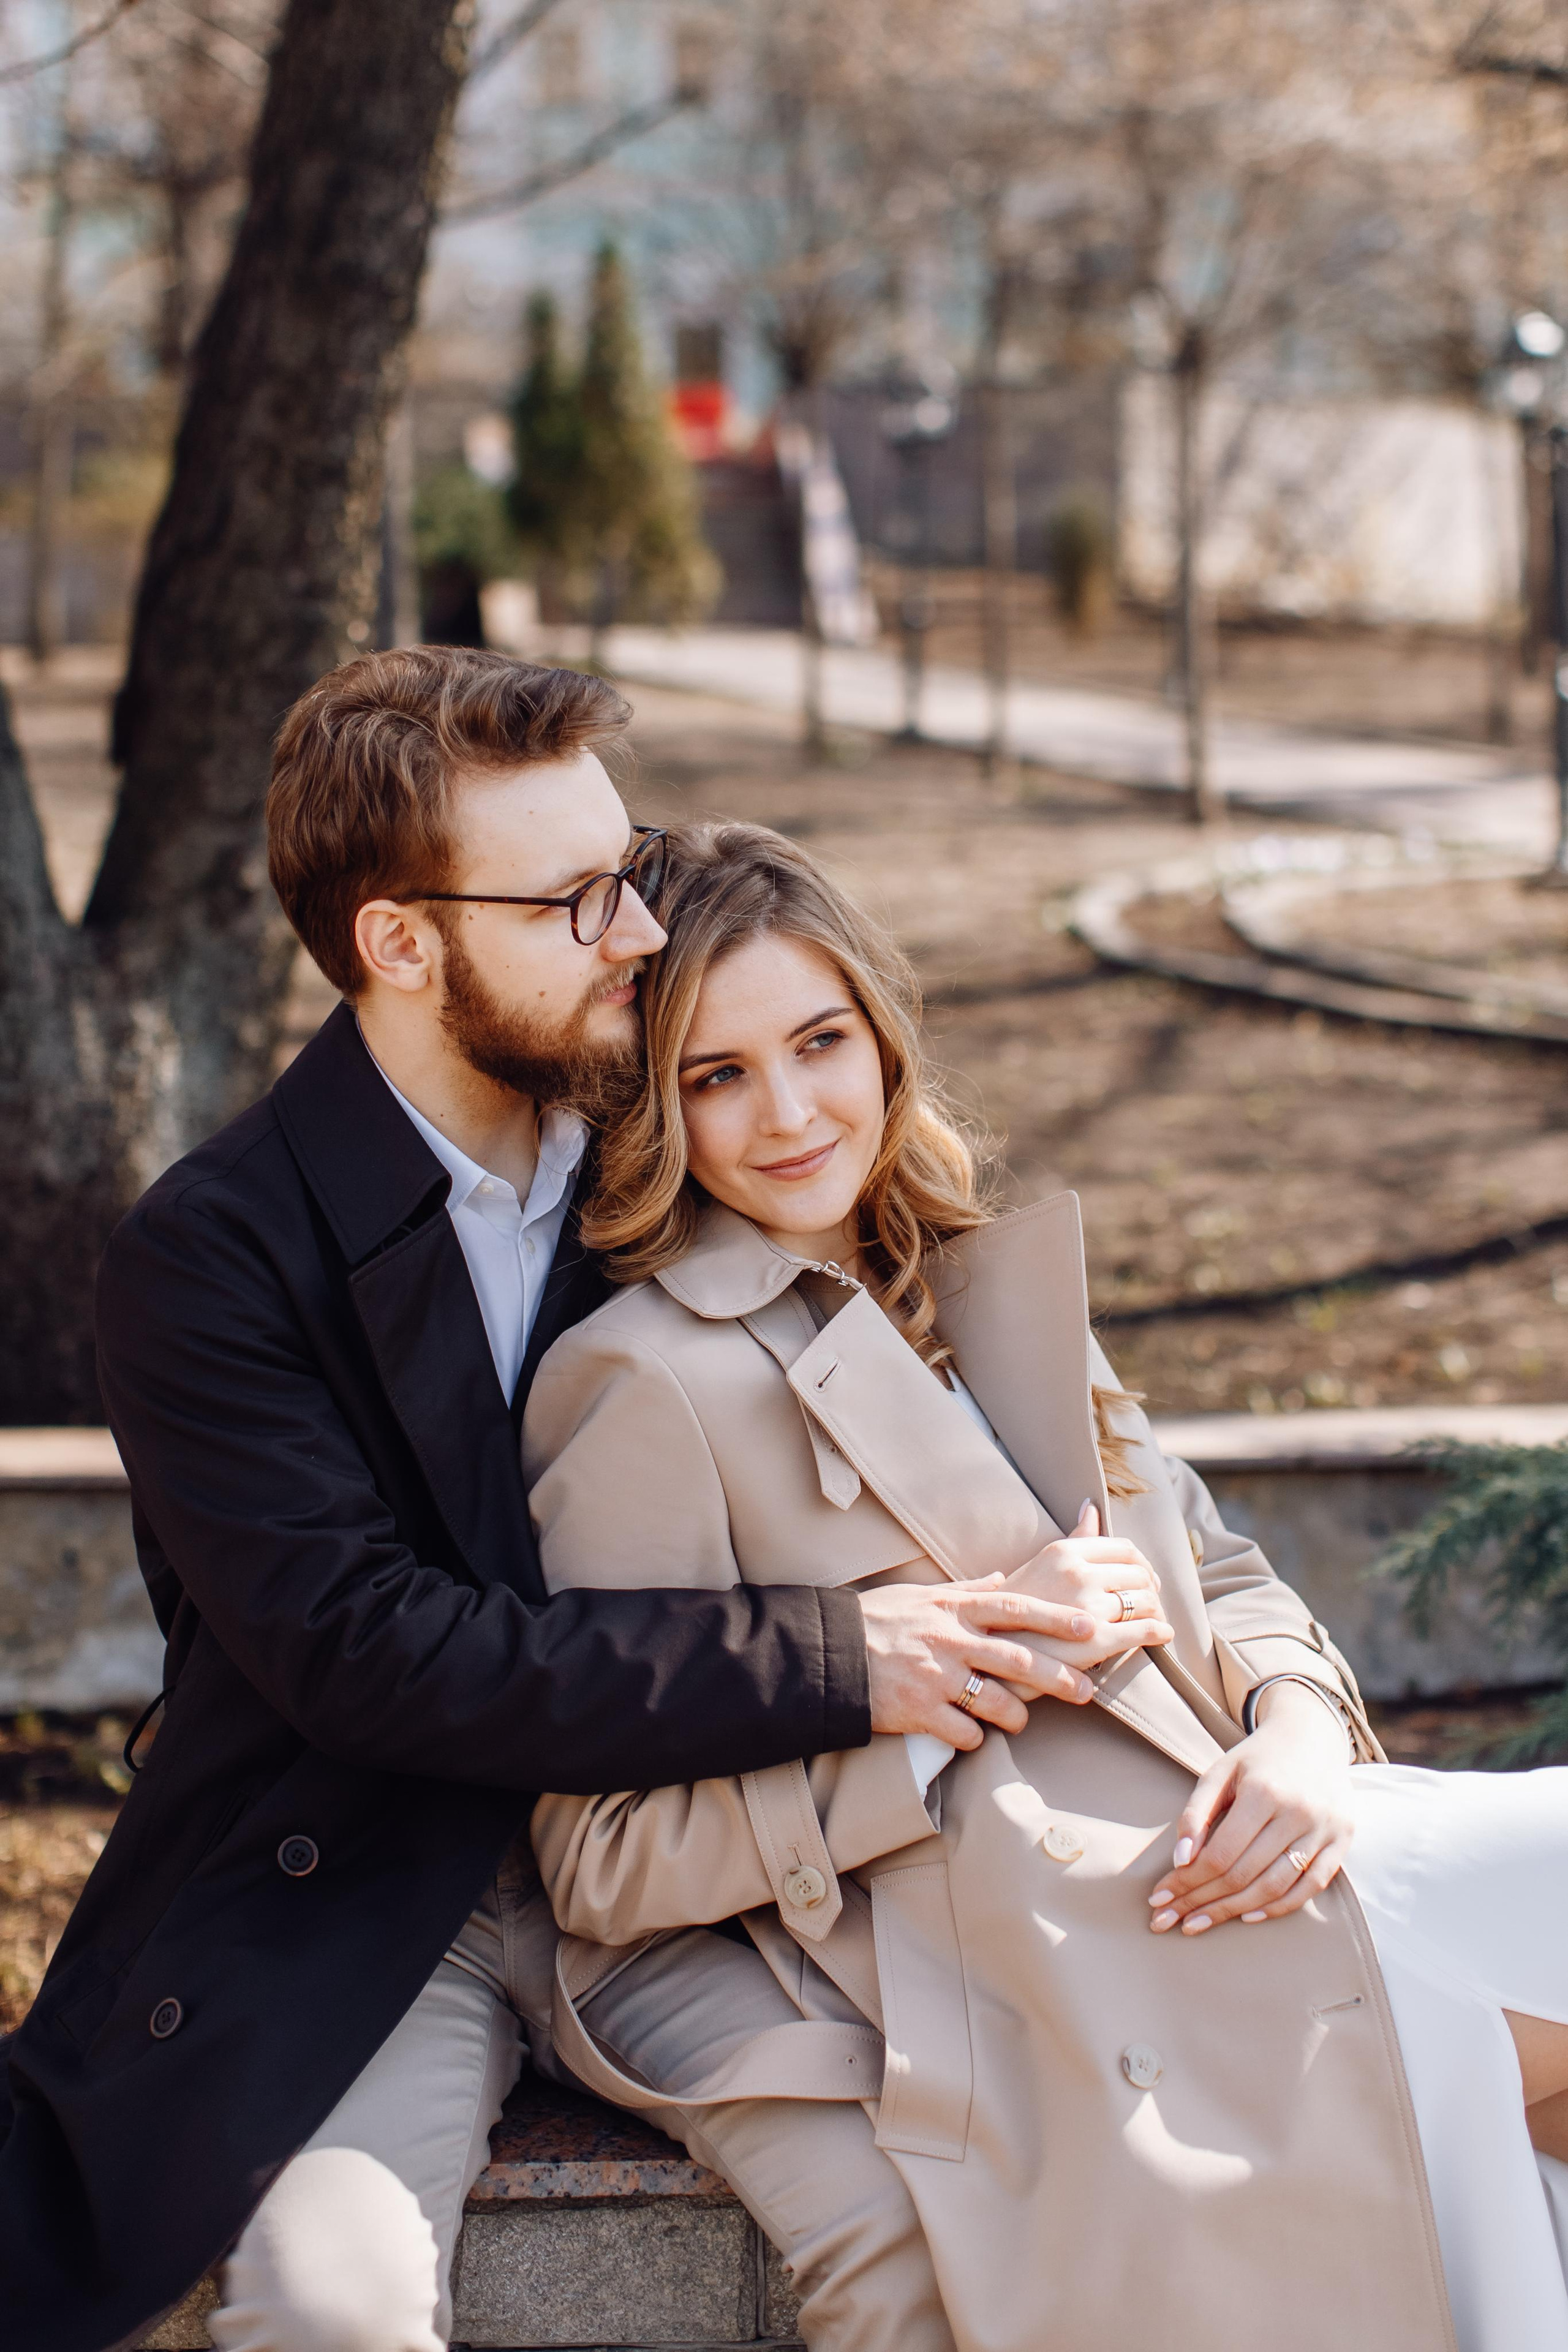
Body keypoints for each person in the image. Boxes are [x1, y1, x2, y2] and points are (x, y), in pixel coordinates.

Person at [0, 651, 1096, 2352]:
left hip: (700, 1864)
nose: (640, 939)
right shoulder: (208, 1260)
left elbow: (910, 1334)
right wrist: (836, 1658)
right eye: (579, 901)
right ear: (401, 943)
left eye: (631, 872)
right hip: (367, 1894)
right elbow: (371, 1653)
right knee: (332, 2301)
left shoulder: (663, 1144)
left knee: (944, 2214)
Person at [520, 820, 1568, 2352]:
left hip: (1248, 1833)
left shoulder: (986, 1284)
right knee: (1487, 2063)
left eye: (819, 1041)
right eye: (716, 1073)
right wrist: (930, 1704)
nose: (791, 1112)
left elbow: (1213, 1562)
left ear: (882, 1036)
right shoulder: (640, 1378)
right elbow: (598, 1865)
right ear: (655, 1106)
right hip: (1050, 1941)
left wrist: (1296, 1731)